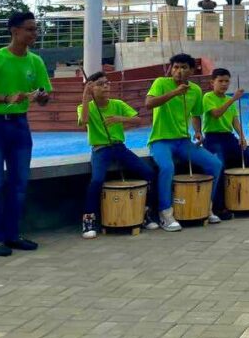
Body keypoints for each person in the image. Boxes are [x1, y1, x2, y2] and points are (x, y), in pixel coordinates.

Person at [0, 11, 52, 257]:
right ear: (15, 31)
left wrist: (42, 97)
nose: (34, 33)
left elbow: (45, 97)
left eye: (35, 29)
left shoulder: (35, 62)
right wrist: (5, 98)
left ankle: (13, 235)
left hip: (19, 126)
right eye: (30, 29)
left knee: (19, 183)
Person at [145, 53, 224, 231]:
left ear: (192, 70)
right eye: (176, 67)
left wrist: (198, 132)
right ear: (170, 69)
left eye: (184, 67)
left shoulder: (195, 90)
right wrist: (175, 92)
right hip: (160, 140)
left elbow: (196, 114)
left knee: (215, 164)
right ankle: (165, 213)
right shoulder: (160, 83)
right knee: (167, 167)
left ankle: (206, 206)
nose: (179, 71)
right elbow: (149, 104)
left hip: (183, 141)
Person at [78, 71, 158, 239]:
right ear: (92, 88)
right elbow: (83, 121)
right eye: (100, 84)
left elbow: (139, 120)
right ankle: (88, 220)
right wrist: (85, 96)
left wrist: (119, 119)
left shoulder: (118, 104)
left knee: (149, 173)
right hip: (100, 149)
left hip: (119, 147)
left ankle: (145, 213)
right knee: (96, 180)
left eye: (107, 83)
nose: (106, 86)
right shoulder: (86, 107)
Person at [202, 68, 248, 220]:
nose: (224, 84)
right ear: (212, 83)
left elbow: (235, 120)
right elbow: (216, 114)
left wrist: (242, 136)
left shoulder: (229, 100)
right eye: (220, 81)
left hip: (228, 137)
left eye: (226, 81)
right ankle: (218, 207)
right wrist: (233, 99)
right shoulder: (208, 97)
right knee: (219, 167)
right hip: (213, 138)